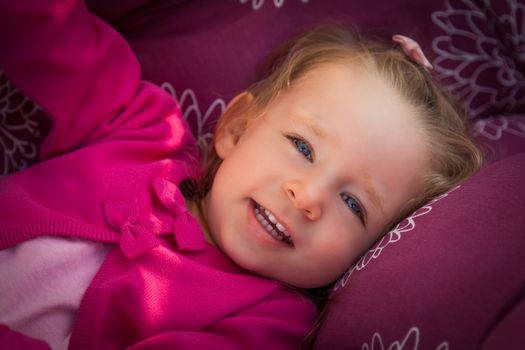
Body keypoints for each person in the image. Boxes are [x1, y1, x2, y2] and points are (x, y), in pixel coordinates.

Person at [0, 0, 482, 349]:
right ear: (237, 127)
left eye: (354, 205)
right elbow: (54, 40)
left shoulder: (270, 322)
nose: (308, 195)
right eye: (302, 146)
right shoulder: (143, 131)